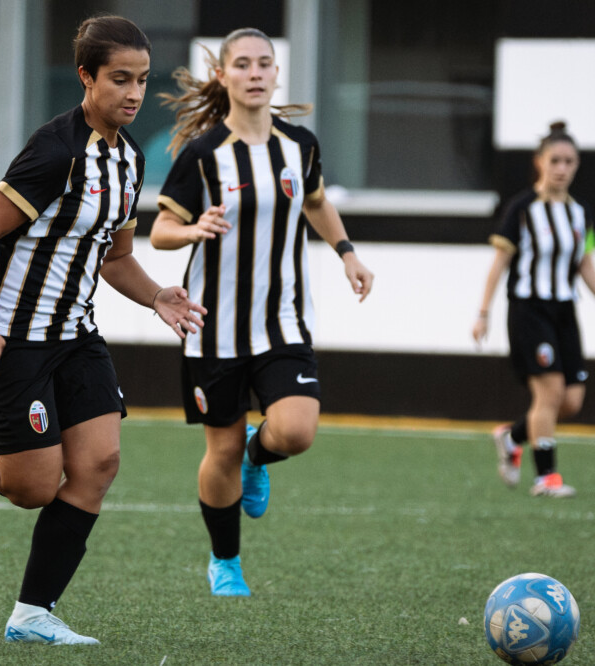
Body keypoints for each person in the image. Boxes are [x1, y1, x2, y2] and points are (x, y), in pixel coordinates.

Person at [0, 16, 205, 646]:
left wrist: (157, 298)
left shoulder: (130, 159)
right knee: (32, 487)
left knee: (100, 462)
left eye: (142, 80)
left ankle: (33, 613)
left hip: (77, 335)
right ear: (86, 76)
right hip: (9, 336)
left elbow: (114, 256)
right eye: (120, 79)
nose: (134, 93)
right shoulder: (55, 151)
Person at [150, 28, 373, 597]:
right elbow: (159, 231)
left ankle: (259, 456)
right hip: (214, 329)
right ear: (223, 76)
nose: (255, 73)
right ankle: (225, 562)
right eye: (242, 64)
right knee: (217, 451)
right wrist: (192, 228)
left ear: (276, 75)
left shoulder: (300, 145)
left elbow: (316, 203)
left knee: (296, 431)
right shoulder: (203, 155)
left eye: (264, 64)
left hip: (283, 322)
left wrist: (347, 253)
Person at [472, 120, 595, 498]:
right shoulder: (522, 209)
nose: (562, 168)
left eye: (569, 161)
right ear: (540, 162)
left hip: (564, 311)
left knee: (570, 401)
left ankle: (511, 438)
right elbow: (499, 262)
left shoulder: (580, 214)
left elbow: (585, 264)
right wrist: (483, 312)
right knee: (549, 392)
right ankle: (547, 477)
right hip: (528, 309)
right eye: (555, 160)